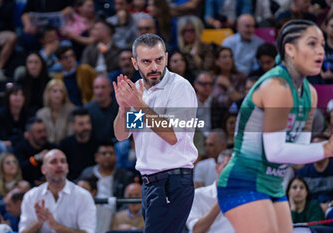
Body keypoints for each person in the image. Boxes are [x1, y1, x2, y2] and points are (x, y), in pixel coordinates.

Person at [217, 19, 333, 233]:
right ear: (289, 49)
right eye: (312, 44)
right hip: (244, 181)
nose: (320, 51)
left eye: (323, 45)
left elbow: (297, 160)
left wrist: (325, 146)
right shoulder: (277, 86)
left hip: (272, 184)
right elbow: (275, 152)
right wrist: (326, 148)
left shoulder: (311, 94)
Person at [113, 33, 197, 233]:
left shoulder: (180, 88)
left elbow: (172, 135)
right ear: (135, 63)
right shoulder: (138, 91)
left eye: (159, 60)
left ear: (166, 58)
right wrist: (123, 108)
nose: (154, 67)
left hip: (172, 181)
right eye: (146, 61)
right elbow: (121, 135)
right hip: (150, 183)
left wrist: (140, 105)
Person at [19, 149, 96, 233]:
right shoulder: (31, 196)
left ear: (67, 167)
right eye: (53, 162)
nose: (59, 165)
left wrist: (56, 226)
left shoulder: (83, 196)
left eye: (63, 162)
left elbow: (88, 231)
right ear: (43, 169)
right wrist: (39, 222)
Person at [187, 150, 234, 233]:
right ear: (217, 168)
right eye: (226, 167)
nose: (231, 172)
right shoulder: (198, 195)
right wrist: (222, 199)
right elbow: (196, 230)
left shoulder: (246, 197)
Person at [13, 117, 56, 186]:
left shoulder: (52, 148)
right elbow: (20, 169)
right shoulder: (20, 149)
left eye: (44, 131)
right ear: (29, 134)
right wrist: (35, 159)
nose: (43, 135)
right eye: (39, 132)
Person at [59, 108, 98, 181]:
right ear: (73, 126)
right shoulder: (65, 144)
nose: (86, 127)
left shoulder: (97, 143)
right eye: (81, 124)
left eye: (88, 123)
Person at [36, 79, 75, 144]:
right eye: (55, 91)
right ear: (48, 93)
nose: (58, 94)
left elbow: (71, 135)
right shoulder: (40, 114)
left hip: (66, 148)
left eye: (61, 91)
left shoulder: (71, 110)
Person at [84, 75, 119, 143]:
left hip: (118, 143)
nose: (100, 91)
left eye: (103, 87)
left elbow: (135, 130)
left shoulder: (121, 106)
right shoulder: (87, 109)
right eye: (97, 88)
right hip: (95, 145)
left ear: (111, 88)